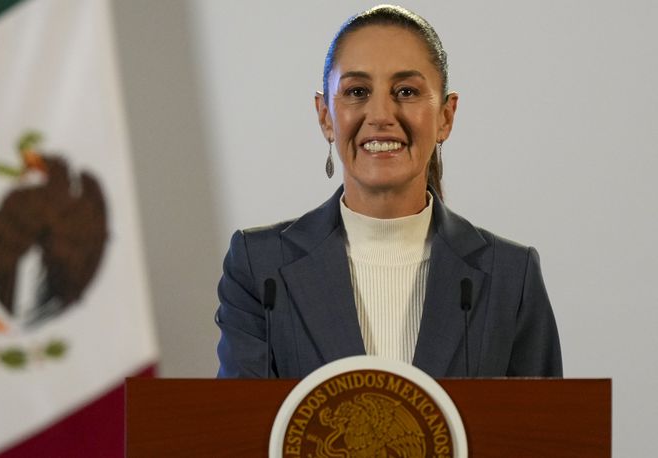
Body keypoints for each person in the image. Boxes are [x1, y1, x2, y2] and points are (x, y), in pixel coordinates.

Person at [215, 5, 562, 379]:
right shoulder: (260, 268)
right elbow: (242, 433)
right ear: (325, 116)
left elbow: (543, 433)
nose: (380, 114)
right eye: (357, 91)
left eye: (407, 91)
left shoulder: (511, 276)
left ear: (446, 116)